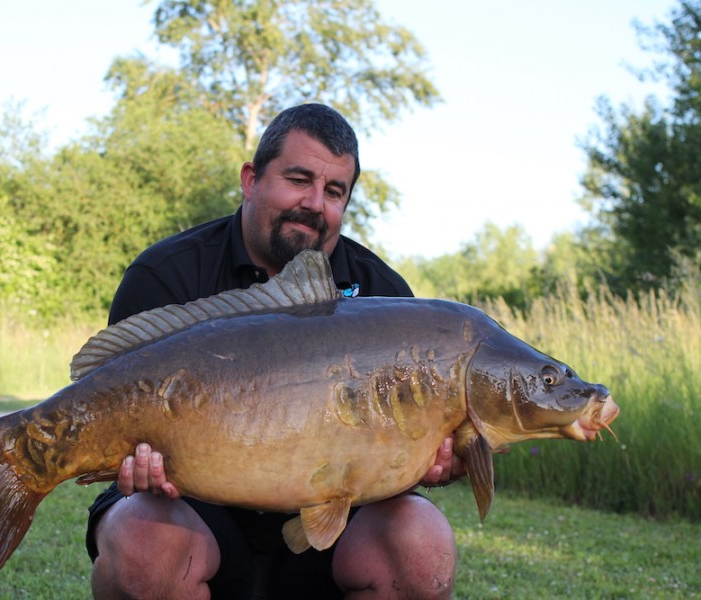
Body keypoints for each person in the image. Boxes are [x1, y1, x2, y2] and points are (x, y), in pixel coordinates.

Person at [86, 103, 460, 599]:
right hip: (195, 512)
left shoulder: (384, 299)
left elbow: (395, 455)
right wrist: (133, 459)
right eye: (298, 179)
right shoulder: (167, 275)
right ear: (250, 179)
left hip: (331, 538)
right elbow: (105, 397)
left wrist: (429, 465)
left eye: (333, 192)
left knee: (421, 541)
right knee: (142, 537)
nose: (314, 203)